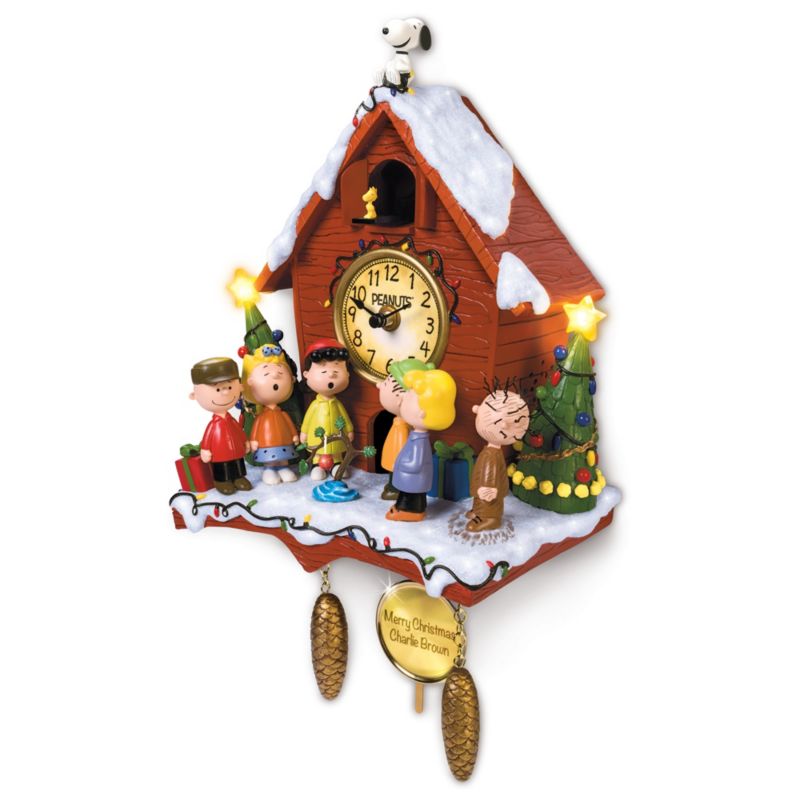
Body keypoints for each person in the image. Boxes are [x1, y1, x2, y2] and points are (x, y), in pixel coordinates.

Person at [386, 362, 456, 522]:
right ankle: (406, 508)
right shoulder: (416, 436)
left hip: (413, 479)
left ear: (422, 413)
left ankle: (411, 512)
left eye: (409, 396)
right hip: (411, 480)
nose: (403, 397)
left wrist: (401, 464)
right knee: (408, 494)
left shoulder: (420, 441)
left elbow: (416, 463)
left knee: (411, 496)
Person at [466, 390, 530, 532]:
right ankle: (478, 510)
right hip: (483, 489)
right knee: (481, 496)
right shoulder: (490, 451)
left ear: (503, 425)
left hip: (489, 491)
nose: (476, 409)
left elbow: (490, 476)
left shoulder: (493, 455)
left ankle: (489, 517)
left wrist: (489, 488)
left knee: (488, 500)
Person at [190, 357, 252, 496]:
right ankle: (222, 481)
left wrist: (245, 442)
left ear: (240, 386)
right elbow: (207, 437)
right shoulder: (213, 425)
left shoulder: (232, 421)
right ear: (195, 395)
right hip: (220, 454)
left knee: (238, 464)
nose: (225, 392)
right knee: (222, 467)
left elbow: (239, 431)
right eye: (217, 389)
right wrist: (205, 449)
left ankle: (239, 477)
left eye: (229, 387)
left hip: (236, 451)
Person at [243, 343, 299, 485]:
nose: (274, 374)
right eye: (266, 373)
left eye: (280, 372)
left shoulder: (283, 414)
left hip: (285, 442)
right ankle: (269, 469)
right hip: (266, 444)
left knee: (284, 457)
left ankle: (283, 468)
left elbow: (289, 425)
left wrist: (294, 435)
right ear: (250, 382)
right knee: (269, 459)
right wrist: (254, 440)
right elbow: (256, 427)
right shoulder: (261, 416)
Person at [300, 339, 353, 481]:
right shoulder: (314, 405)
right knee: (318, 451)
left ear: (347, 374)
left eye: (336, 370)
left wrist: (349, 430)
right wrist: (304, 433)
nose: (330, 375)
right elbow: (307, 420)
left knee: (336, 451)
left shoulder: (338, 404)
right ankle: (317, 466)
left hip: (337, 437)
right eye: (323, 370)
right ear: (306, 375)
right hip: (317, 438)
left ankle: (337, 464)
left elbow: (345, 418)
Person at [376, 359, 427, 500]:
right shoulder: (403, 423)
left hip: (397, 460)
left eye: (385, 384)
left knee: (395, 473)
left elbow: (400, 447)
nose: (379, 385)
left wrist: (397, 462)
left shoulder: (403, 426)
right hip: (397, 459)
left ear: (400, 398)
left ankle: (395, 489)